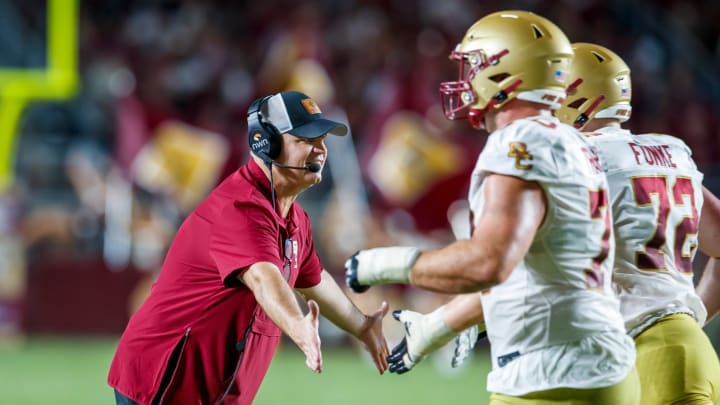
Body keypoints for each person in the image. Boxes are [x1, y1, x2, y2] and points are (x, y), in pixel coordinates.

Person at [345, 10, 640, 404]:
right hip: (598, 364)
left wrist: (381, 264)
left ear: (505, 74)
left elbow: (489, 263)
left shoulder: (519, 144)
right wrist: (436, 328)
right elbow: (527, 273)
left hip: (551, 374)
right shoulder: (573, 143)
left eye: (476, 66)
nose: (466, 79)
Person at [108, 90, 390, 405]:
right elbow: (263, 278)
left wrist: (361, 326)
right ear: (265, 143)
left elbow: (314, 281)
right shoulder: (241, 208)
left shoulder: (294, 216)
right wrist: (297, 325)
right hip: (164, 380)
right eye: (305, 140)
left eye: (321, 139)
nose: (320, 150)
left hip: (210, 386)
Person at [555, 42, 720, 405]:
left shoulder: (582, 161)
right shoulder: (669, 153)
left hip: (654, 357)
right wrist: (689, 315)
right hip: (671, 349)